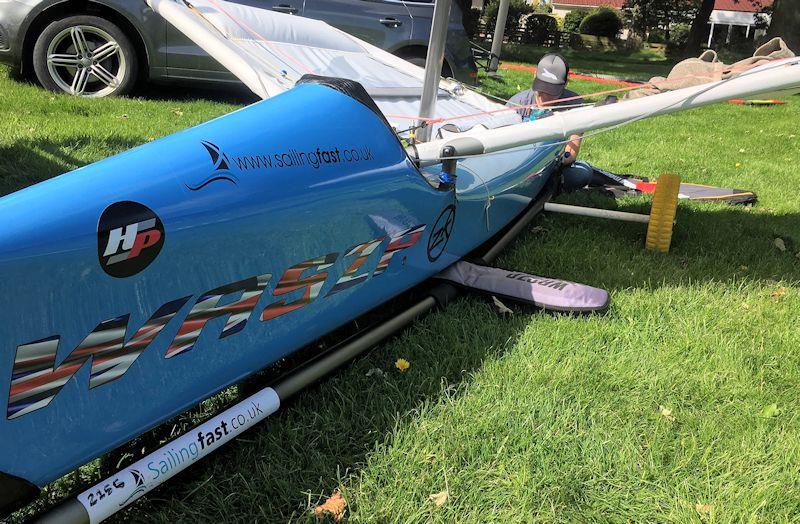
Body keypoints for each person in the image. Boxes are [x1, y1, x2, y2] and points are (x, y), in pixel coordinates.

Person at [506, 54, 596, 192]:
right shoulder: (518, 102)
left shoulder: (575, 104)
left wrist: (553, 160)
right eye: (541, 91)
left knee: (582, 173)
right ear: (534, 77)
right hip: (519, 164)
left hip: (553, 164)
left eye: (551, 92)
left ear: (565, 84)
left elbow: (571, 153)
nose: (544, 98)